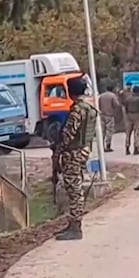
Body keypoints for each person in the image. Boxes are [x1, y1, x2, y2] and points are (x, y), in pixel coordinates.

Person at [51, 77, 97, 241]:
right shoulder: (89, 108)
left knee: (74, 190)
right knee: (75, 187)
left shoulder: (77, 110)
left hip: (73, 153)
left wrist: (58, 152)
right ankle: (72, 223)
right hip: (83, 150)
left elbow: (68, 136)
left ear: (70, 92)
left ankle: (76, 228)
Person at [122, 86, 139, 155]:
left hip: (129, 115)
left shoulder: (128, 98)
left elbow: (125, 107)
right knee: (137, 132)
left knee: (128, 133)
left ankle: (127, 147)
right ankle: (136, 148)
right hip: (137, 116)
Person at [98, 84, 120, 152]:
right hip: (109, 115)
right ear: (112, 89)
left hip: (102, 115)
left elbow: (98, 104)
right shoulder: (112, 96)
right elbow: (117, 104)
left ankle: (101, 146)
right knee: (109, 131)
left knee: (102, 131)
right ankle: (108, 146)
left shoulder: (101, 95)